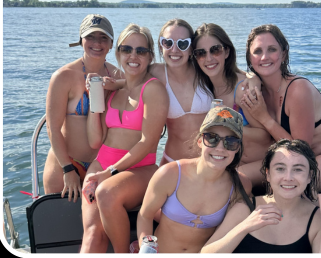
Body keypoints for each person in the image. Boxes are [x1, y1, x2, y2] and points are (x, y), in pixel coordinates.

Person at [239, 24, 321, 191]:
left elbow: (300, 153)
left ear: (283, 54)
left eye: (272, 49)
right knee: (238, 175)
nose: (264, 57)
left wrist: (264, 117)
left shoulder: (298, 89)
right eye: (257, 51)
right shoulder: (258, 90)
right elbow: (233, 73)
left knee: (289, 179)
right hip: (305, 160)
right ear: (249, 58)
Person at [80, 23, 169, 253]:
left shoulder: (153, 89)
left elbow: (148, 142)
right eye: (127, 49)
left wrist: (110, 172)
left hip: (139, 170)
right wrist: (94, 99)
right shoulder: (114, 91)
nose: (133, 55)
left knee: (106, 192)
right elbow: (95, 140)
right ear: (118, 53)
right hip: (101, 165)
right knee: (91, 235)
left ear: (150, 56)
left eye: (141, 51)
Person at [137, 107, 254, 253]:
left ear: (237, 148)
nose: (220, 148)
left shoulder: (241, 185)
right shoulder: (170, 174)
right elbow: (145, 215)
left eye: (230, 142)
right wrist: (147, 250)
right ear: (200, 141)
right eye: (212, 138)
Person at [202, 139, 321, 253]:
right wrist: (244, 227)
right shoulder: (245, 209)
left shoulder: (317, 219)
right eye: (280, 169)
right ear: (268, 174)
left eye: (298, 169)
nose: (288, 177)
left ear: (309, 177)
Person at [43, 14, 119, 202]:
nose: (97, 43)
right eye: (90, 37)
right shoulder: (63, 77)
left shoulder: (118, 75)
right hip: (67, 163)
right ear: (81, 40)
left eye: (103, 38)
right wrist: (67, 169)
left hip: (101, 168)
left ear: (111, 44)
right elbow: (52, 128)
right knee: (61, 227)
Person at [192, 23, 273, 165]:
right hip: (228, 165)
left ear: (227, 52)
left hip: (257, 167)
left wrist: (226, 123)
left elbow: (265, 137)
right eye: (201, 53)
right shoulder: (204, 88)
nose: (209, 58)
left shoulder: (243, 89)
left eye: (215, 50)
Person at [150, 19, 213, 166]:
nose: (174, 50)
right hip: (172, 164)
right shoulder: (155, 73)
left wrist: (251, 78)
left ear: (191, 48)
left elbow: (232, 76)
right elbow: (130, 80)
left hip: (208, 164)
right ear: (161, 45)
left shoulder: (204, 69)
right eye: (168, 43)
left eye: (182, 44)